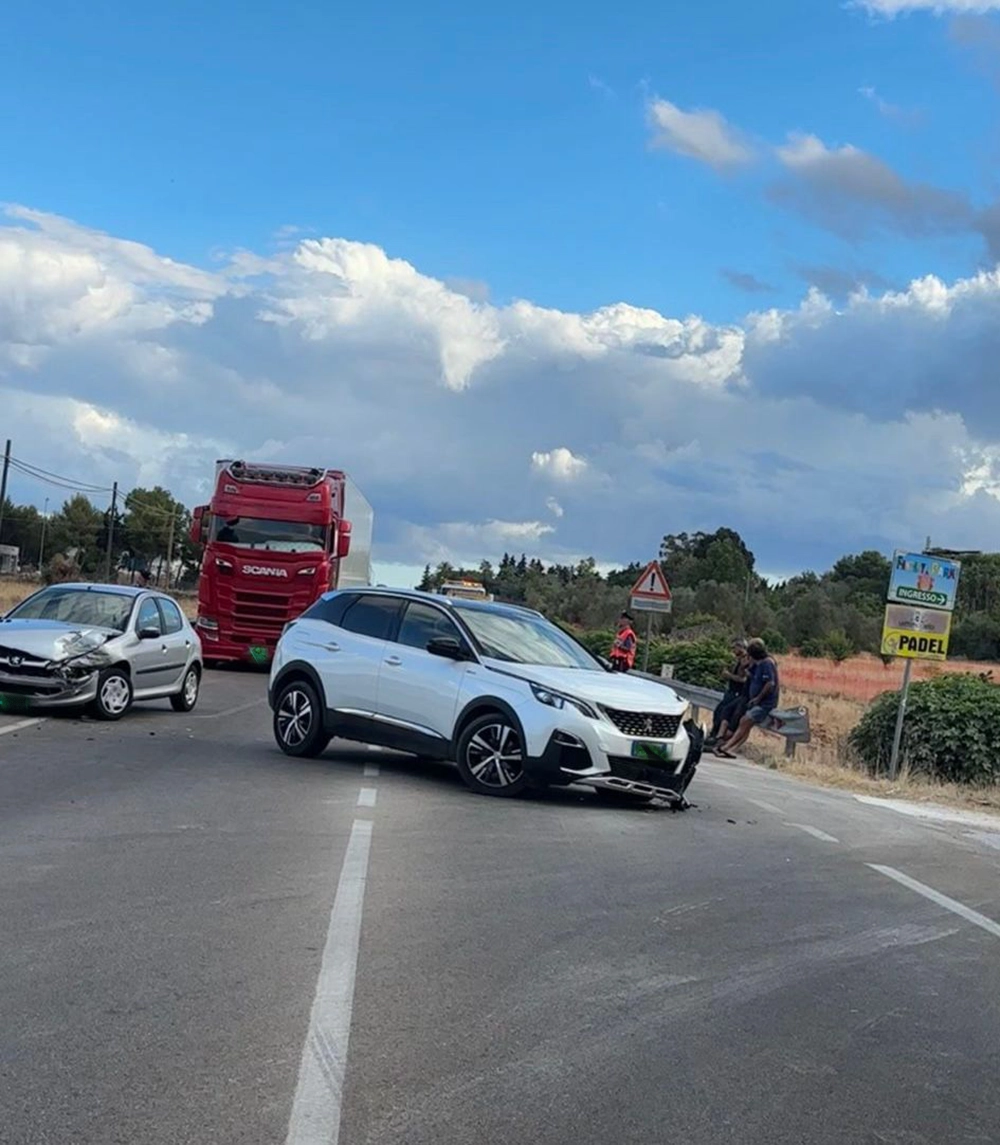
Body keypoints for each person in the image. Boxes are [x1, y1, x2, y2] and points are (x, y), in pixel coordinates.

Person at [715, 638, 780, 758]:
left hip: (765, 703)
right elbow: (748, 674)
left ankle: (727, 747)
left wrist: (758, 698)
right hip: (754, 700)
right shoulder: (757, 664)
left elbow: (770, 683)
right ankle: (731, 749)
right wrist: (744, 666)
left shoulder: (767, 663)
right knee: (745, 724)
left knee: (745, 720)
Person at [705, 639, 749, 749]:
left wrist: (729, 675)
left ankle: (718, 737)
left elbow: (743, 679)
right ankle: (715, 735)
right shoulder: (738, 660)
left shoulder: (745, 660)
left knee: (724, 711)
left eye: (735, 648)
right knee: (719, 711)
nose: (733, 650)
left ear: (740, 647)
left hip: (737, 692)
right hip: (732, 691)